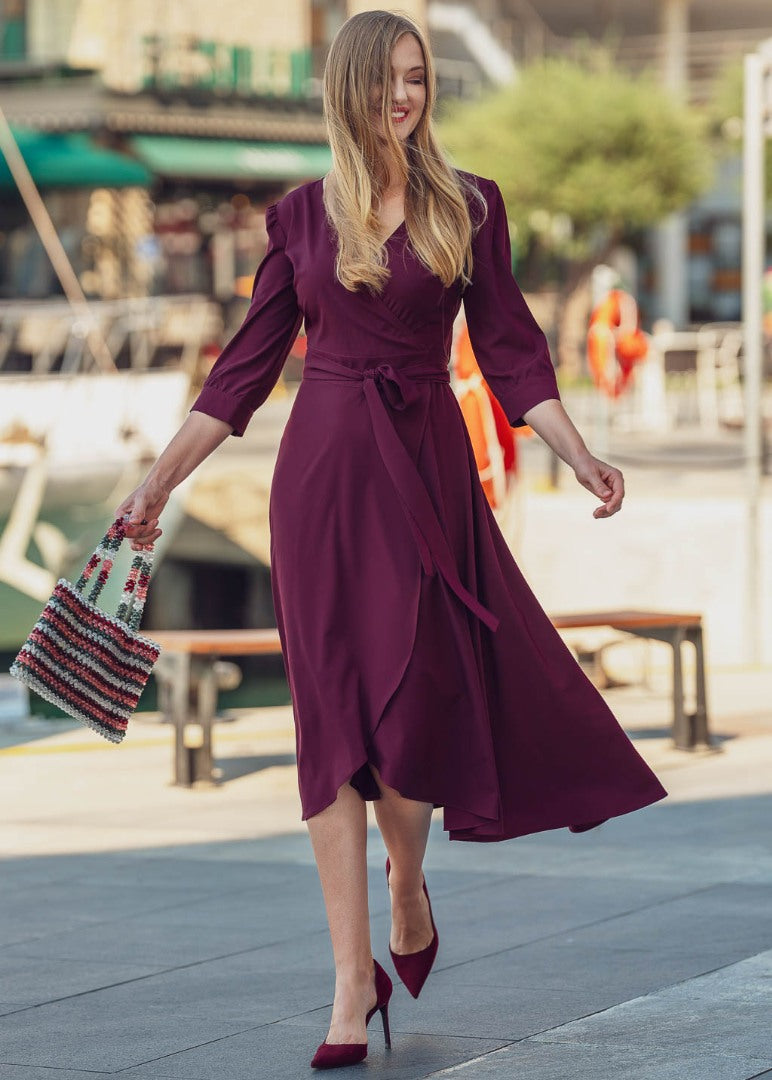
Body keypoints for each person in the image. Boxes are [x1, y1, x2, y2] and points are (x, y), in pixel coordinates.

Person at [115, 9, 668, 1071]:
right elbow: (241, 374)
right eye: (388, 81)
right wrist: (154, 482)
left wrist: (578, 451)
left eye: (418, 79)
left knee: (412, 707)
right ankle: (347, 980)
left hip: (425, 476)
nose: (405, 98)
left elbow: (510, 350)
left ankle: (407, 882)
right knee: (330, 723)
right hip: (321, 480)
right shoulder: (299, 218)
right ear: (351, 89)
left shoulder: (470, 207)